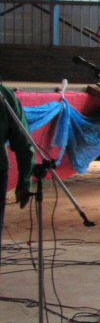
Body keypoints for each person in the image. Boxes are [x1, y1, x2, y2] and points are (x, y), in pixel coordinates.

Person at [0, 82, 34, 260]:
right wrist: (24, 183)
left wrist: (24, 182)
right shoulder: (4, 94)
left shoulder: (4, 95)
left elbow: (23, 141)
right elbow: (23, 142)